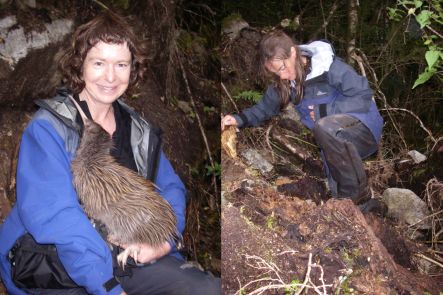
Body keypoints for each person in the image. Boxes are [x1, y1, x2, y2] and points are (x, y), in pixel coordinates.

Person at [0, 12, 220, 295]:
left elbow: (171, 188)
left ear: (132, 69)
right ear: (81, 66)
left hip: (125, 253)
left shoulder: (138, 131)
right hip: (55, 263)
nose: (110, 76)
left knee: (205, 289)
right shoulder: (48, 128)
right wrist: (109, 288)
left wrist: (164, 242)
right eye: (99, 63)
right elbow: (56, 217)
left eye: (121, 64)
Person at [222, 31, 383, 205]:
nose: (282, 75)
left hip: (363, 129)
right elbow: (264, 109)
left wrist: (325, 110)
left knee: (325, 127)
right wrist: (238, 119)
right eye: (276, 72)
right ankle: (370, 210)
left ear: (293, 53)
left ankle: (362, 195)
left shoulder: (329, 67)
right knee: (342, 200)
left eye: (283, 67)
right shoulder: (286, 82)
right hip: (333, 143)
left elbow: (363, 96)